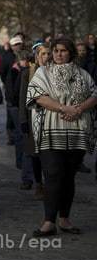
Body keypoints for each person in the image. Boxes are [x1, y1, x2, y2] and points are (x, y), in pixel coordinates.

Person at [26, 38, 97, 237]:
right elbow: (37, 96)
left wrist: (79, 109)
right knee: (53, 174)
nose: (58, 54)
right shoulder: (43, 72)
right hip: (50, 130)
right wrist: (63, 108)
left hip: (76, 132)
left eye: (63, 51)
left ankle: (64, 219)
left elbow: (94, 94)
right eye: (55, 50)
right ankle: (49, 221)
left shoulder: (83, 74)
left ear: (71, 53)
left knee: (68, 177)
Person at [18, 44, 48, 199]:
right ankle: (39, 184)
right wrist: (23, 119)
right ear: (36, 57)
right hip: (32, 117)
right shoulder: (27, 73)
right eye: (42, 54)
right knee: (35, 154)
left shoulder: (55, 72)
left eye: (48, 54)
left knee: (50, 153)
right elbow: (23, 97)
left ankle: (50, 184)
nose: (45, 57)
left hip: (51, 117)